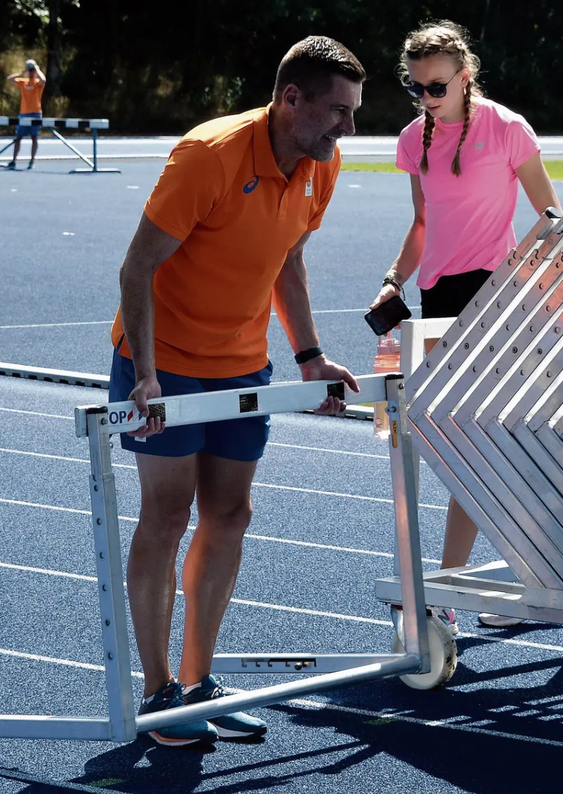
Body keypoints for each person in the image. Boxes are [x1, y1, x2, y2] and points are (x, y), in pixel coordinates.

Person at [109, 36, 364, 747]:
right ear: (290, 100)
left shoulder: (321, 164)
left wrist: (308, 355)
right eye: (337, 112)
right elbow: (137, 269)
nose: (348, 127)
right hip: (165, 361)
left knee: (231, 514)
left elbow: (287, 260)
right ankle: (160, 695)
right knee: (166, 518)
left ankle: (198, 683)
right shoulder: (209, 156)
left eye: (353, 112)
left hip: (240, 364)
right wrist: (149, 372)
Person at [369, 20, 562, 633]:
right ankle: (498, 575)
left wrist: (523, 277)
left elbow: (551, 215)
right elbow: (423, 226)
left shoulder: (506, 129)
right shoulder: (411, 139)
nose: (426, 97)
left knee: (476, 447)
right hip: (438, 298)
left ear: (465, 76)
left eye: (437, 86)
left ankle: (451, 589)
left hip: (497, 293)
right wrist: (393, 279)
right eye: (416, 86)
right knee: (460, 448)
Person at [5, 58, 46, 170]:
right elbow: (9, 79)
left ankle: (32, 160)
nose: (31, 72)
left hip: (36, 113)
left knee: (34, 137)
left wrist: (37, 68)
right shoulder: (23, 82)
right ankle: (14, 160)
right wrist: (23, 71)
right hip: (24, 113)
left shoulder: (37, 83)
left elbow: (43, 80)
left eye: (32, 70)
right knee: (18, 137)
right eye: (30, 70)